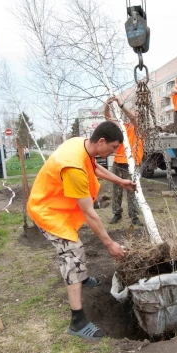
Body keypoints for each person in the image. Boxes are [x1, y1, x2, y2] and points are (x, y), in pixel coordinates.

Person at [27, 121, 136, 340]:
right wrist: (110, 244)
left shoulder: (82, 144)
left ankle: (82, 278)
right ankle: (77, 321)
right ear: (102, 141)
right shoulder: (73, 167)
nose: (115, 152)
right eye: (114, 147)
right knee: (72, 253)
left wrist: (119, 181)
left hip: (59, 207)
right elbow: (90, 214)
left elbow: (94, 167)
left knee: (75, 248)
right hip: (48, 212)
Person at [104, 96, 144, 226]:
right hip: (118, 163)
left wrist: (121, 105)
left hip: (132, 164)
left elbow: (132, 118)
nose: (135, 115)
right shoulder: (123, 126)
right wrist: (107, 105)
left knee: (132, 190)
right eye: (135, 112)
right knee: (117, 190)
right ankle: (117, 213)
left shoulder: (140, 128)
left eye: (137, 114)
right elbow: (107, 118)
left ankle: (134, 216)